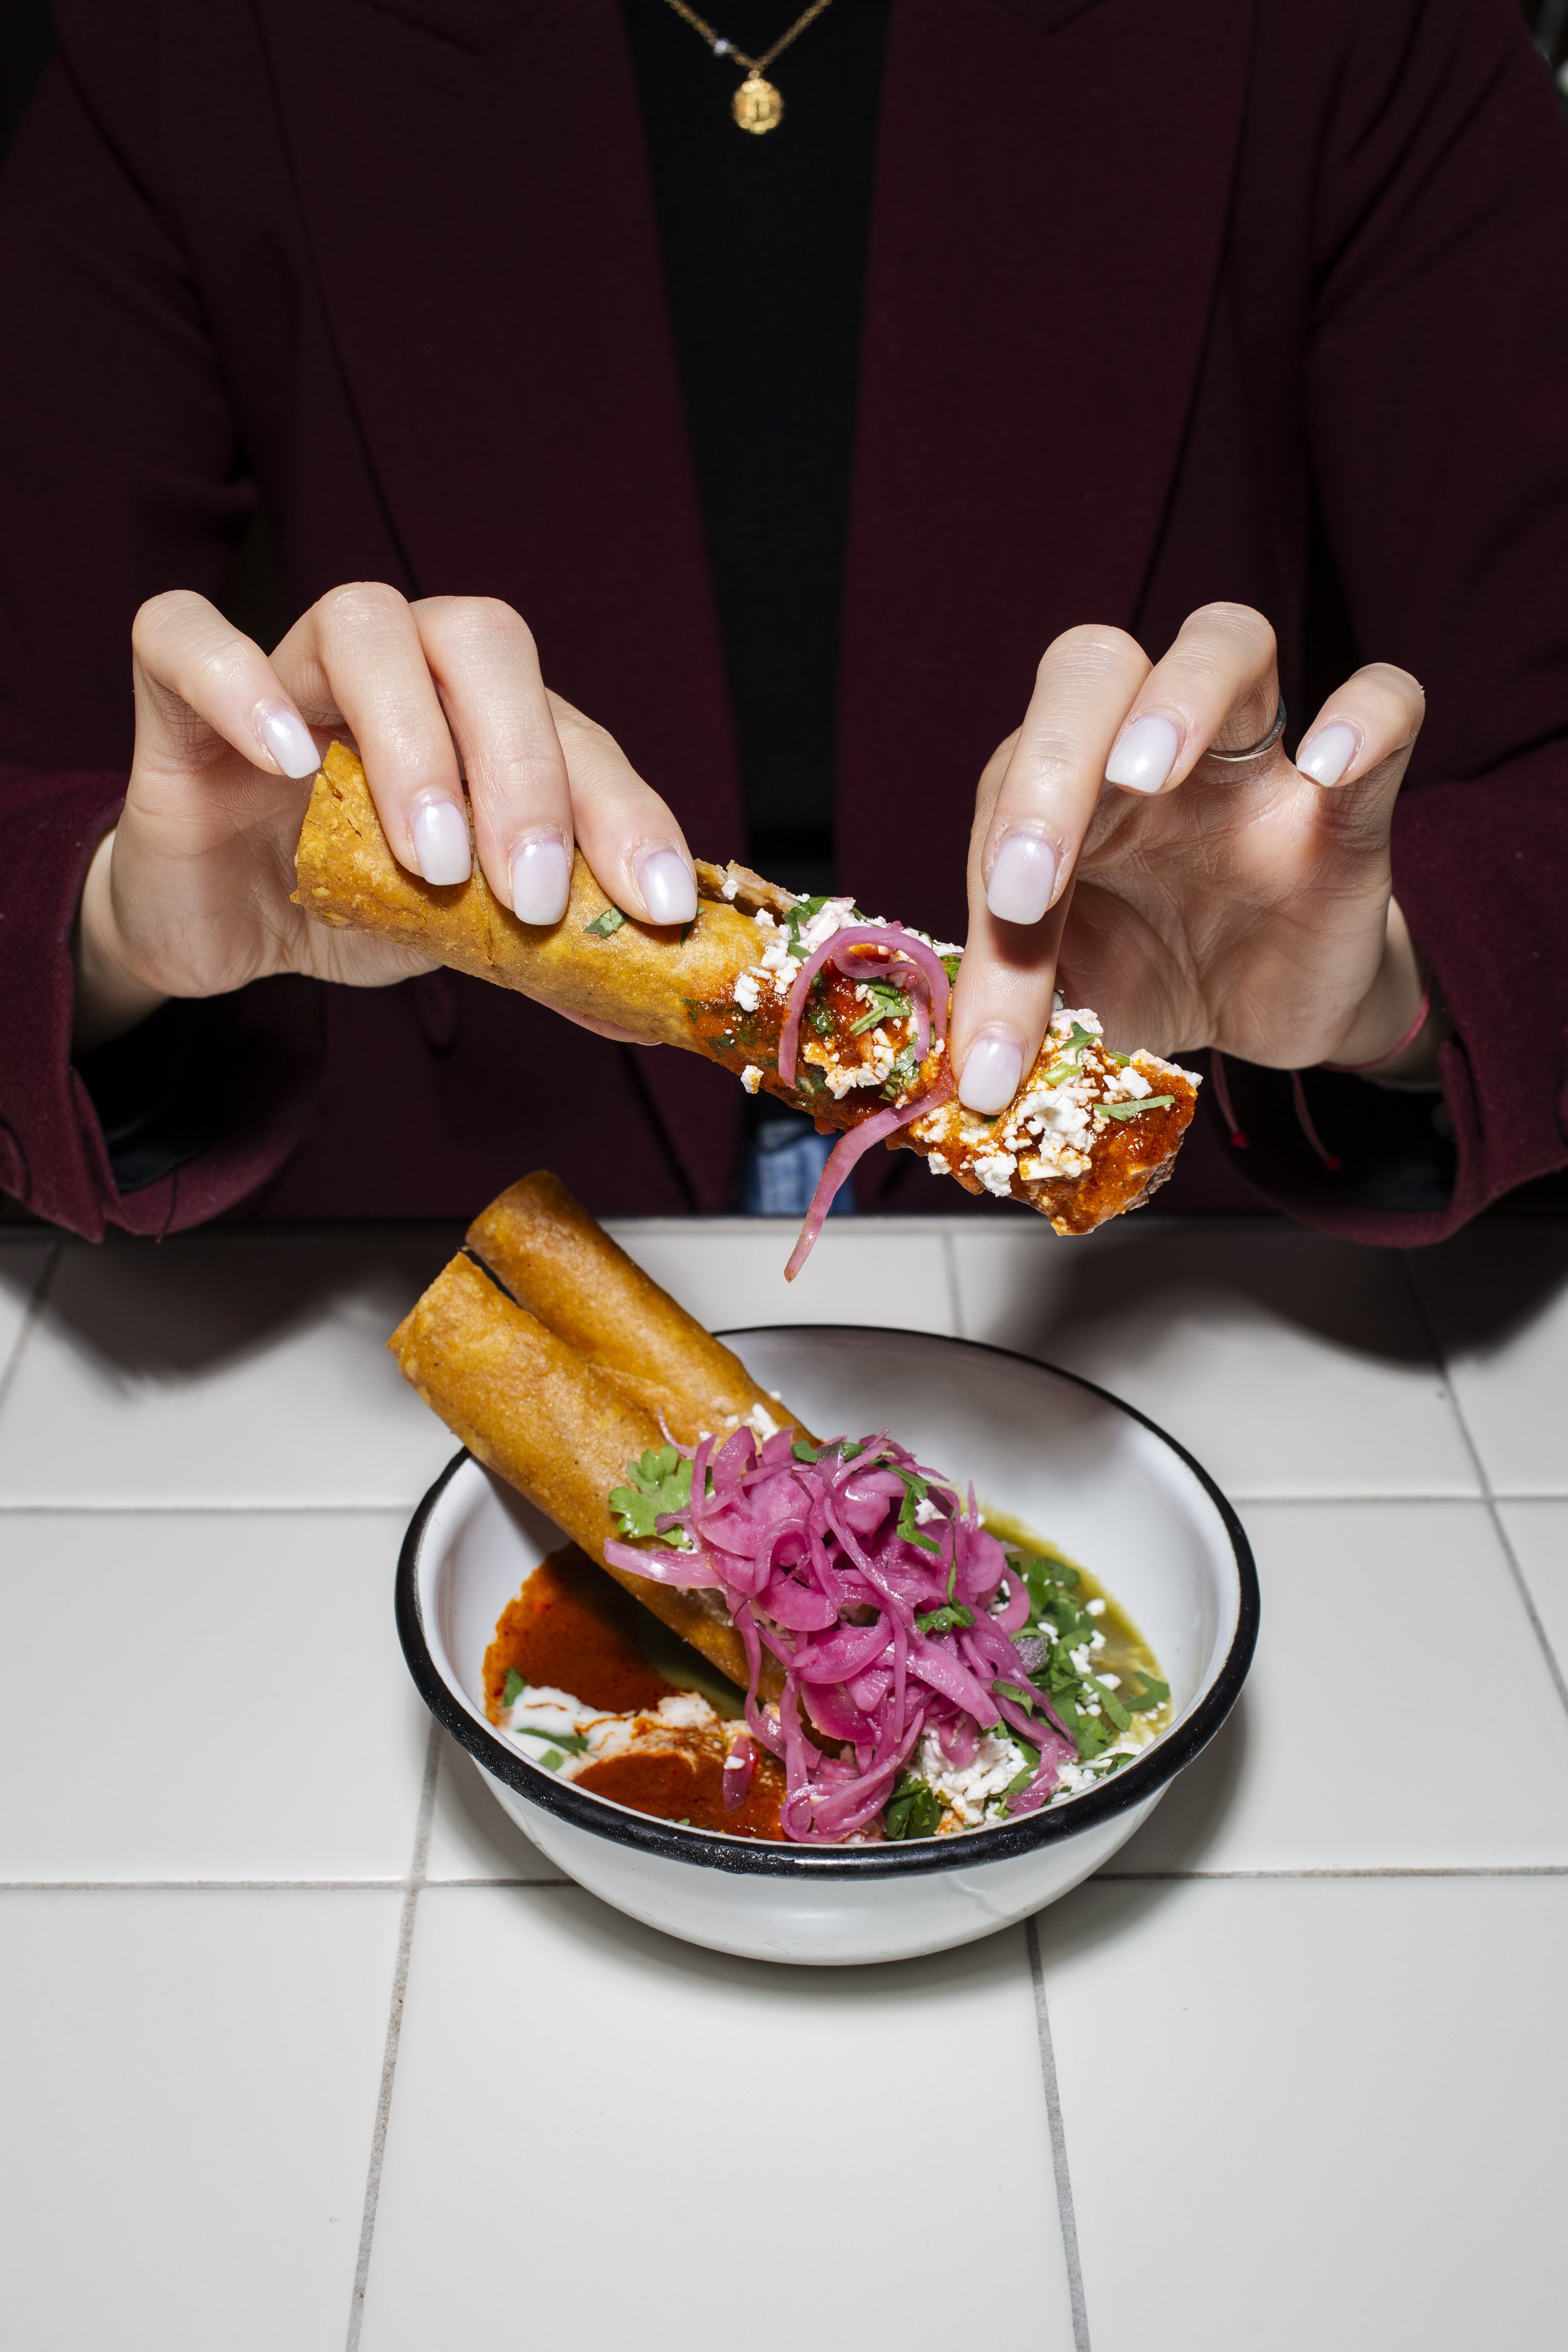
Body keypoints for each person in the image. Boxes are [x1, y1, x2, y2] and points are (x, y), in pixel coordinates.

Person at [1, 0, 1565, 1241]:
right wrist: (119, 929)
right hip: (402, 1223)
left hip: (1183, 1262)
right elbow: (36, 756)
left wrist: (1390, 985)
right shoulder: (189, 34)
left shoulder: (1357, 24)